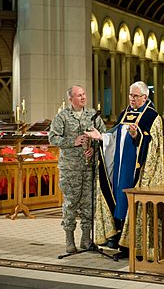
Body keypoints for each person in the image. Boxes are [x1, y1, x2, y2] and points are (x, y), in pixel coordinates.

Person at [85, 81, 164, 258]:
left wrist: (138, 137)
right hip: (121, 167)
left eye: (135, 96)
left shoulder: (152, 117)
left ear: (145, 97)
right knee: (119, 198)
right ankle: (121, 241)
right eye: (130, 95)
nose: (132, 99)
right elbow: (114, 137)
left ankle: (137, 245)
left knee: (132, 201)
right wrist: (102, 137)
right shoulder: (124, 113)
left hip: (138, 170)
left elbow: (154, 146)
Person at [49, 85, 106, 254]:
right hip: (70, 169)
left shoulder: (93, 116)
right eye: (78, 95)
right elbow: (52, 138)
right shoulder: (63, 117)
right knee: (71, 203)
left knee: (89, 204)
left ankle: (86, 239)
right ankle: (69, 240)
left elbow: (103, 135)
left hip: (89, 168)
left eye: (83, 94)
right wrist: (72, 141)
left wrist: (94, 149)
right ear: (70, 99)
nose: (83, 97)